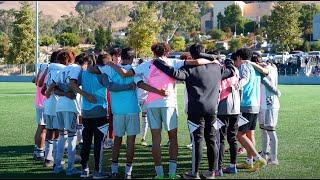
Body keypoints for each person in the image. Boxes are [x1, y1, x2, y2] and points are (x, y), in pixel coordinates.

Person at [107, 43, 215, 179]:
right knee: (173, 138)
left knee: (156, 140)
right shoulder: (173, 62)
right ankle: (171, 174)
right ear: (167, 52)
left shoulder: (146, 64)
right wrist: (213, 59)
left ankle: (159, 174)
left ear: (153, 52)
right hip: (169, 104)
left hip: (152, 105)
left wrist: (111, 64)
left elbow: (127, 75)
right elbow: (198, 61)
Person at [152, 43, 234, 179]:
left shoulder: (190, 67)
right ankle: (211, 172)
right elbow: (231, 71)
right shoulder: (216, 67)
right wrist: (226, 60)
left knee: (197, 141)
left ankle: (194, 173)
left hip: (195, 110)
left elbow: (174, 73)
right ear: (204, 52)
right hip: (212, 109)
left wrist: (158, 63)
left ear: (192, 55)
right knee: (212, 140)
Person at [94, 47, 167, 179]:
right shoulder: (135, 70)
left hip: (117, 111)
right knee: (131, 142)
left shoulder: (110, 68)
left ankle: (114, 171)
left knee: (117, 141)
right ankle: (128, 172)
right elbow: (143, 84)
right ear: (133, 58)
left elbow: (95, 70)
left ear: (121, 56)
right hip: (132, 109)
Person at [79, 52, 136, 178]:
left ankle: (84, 170)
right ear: (107, 62)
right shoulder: (102, 74)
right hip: (99, 111)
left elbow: (73, 85)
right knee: (99, 144)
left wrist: (85, 95)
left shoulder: (83, 73)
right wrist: (128, 86)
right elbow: (111, 87)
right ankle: (98, 172)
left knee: (86, 142)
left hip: (85, 112)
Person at [50, 51, 96, 176]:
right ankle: (70, 169)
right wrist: (86, 95)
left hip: (59, 106)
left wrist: (64, 93)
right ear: (85, 63)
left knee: (61, 136)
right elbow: (72, 83)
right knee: (71, 137)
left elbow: (53, 88)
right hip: (70, 107)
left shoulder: (65, 69)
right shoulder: (77, 69)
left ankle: (57, 166)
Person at [234, 48, 267, 172]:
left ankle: (258, 158)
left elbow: (245, 79)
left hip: (246, 105)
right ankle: (249, 162)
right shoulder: (256, 68)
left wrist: (238, 84)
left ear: (239, 57)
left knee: (238, 134)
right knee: (249, 134)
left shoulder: (244, 65)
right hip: (255, 105)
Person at [244, 58, 281, 166]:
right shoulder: (264, 68)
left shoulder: (270, 68)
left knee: (271, 131)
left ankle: (274, 158)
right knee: (264, 131)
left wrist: (250, 63)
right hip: (263, 105)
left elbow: (265, 71)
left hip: (270, 104)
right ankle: (265, 154)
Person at [42, 50, 68, 168]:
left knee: (49, 132)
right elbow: (55, 89)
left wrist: (48, 92)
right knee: (58, 134)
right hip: (58, 106)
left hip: (48, 106)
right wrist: (67, 93)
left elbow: (43, 90)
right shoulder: (62, 71)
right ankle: (57, 159)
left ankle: (48, 158)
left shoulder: (50, 71)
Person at [216, 53, 241, 176]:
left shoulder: (221, 71)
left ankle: (219, 169)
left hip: (222, 108)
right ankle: (233, 166)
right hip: (235, 108)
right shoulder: (236, 71)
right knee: (232, 138)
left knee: (220, 139)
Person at [104, 47, 122, 149]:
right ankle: (109, 139)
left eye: (119, 56)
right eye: (115, 56)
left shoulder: (122, 67)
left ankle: (116, 138)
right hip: (108, 95)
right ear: (111, 57)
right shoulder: (107, 68)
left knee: (118, 118)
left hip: (120, 96)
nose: (118, 58)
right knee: (109, 117)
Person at [32, 61, 48, 161]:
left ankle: (37, 149)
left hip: (39, 103)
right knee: (43, 129)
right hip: (43, 103)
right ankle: (40, 152)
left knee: (40, 127)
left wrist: (40, 71)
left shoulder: (42, 67)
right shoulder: (48, 69)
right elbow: (38, 83)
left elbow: (34, 81)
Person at [136, 58, 149, 147]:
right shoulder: (136, 73)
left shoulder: (148, 73)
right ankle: (133, 137)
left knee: (145, 119)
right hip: (136, 99)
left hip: (146, 99)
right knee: (136, 119)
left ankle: (143, 138)